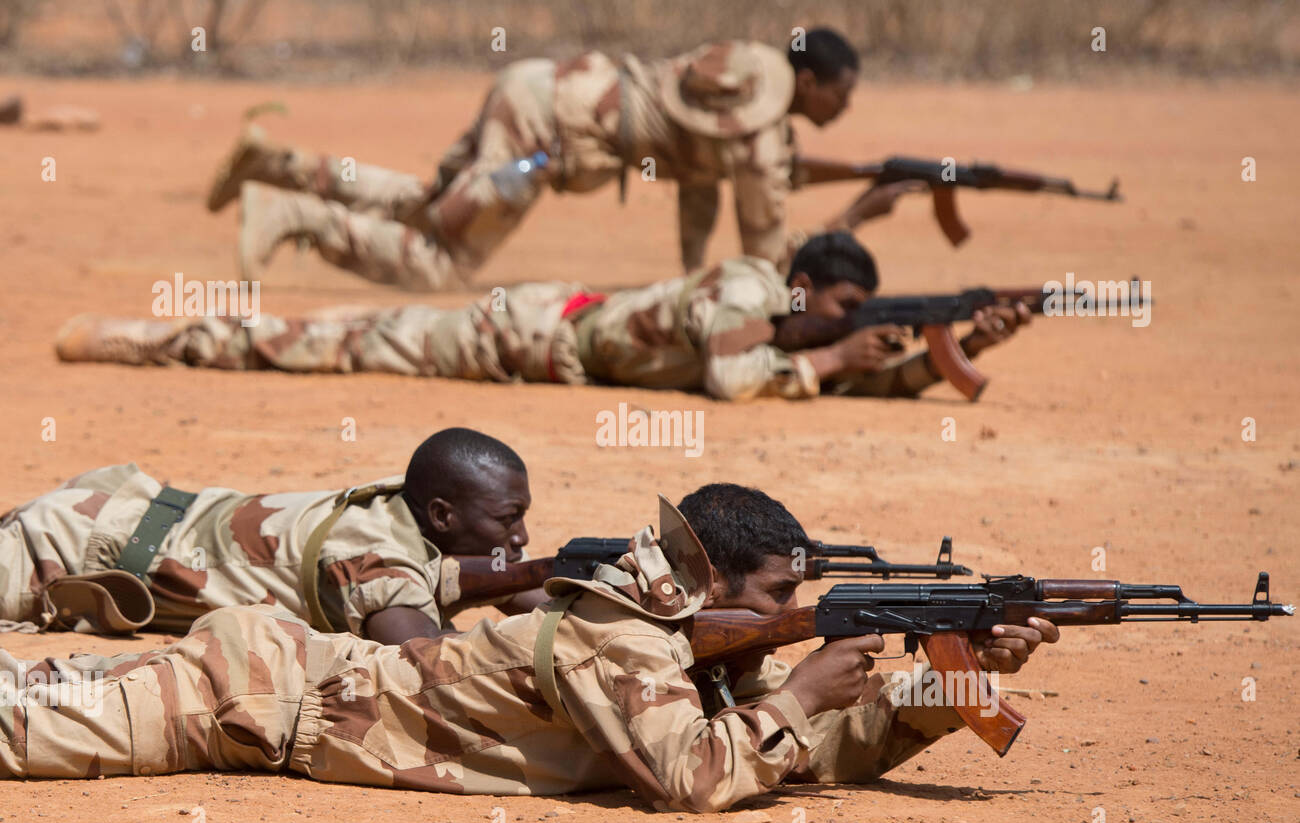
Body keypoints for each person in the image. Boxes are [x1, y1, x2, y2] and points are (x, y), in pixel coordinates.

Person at [0, 485, 1058, 813]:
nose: (797, 607)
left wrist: (943, 685)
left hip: (267, 692)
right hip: (250, 694)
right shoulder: (621, 640)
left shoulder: (667, 643)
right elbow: (698, 776)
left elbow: (802, 751)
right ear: (714, 587)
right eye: (782, 595)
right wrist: (799, 694)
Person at [205, 28, 917, 290]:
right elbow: (766, 259)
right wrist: (854, 217)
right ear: (814, 82)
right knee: (442, 262)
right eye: (843, 96)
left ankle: (277, 162)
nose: (844, 111)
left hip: (538, 89)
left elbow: (701, 184)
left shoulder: (748, 76)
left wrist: (691, 276)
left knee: (433, 204)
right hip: (541, 145)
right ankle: (291, 211)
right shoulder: (761, 129)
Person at [56, 232, 1030, 401]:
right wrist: (832, 360)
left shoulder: (798, 329)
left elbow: (839, 372)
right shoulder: (745, 292)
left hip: (556, 348)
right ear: (801, 286)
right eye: (842, 308)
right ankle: (158, 337)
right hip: (521, 332)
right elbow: (739, 379)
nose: (848, 322)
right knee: (331, 340)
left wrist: (960, 345)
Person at [0, 428, 540, 643]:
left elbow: (516, 582)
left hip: (128, 509)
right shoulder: (377, 562)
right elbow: (433, 661)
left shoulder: (408, 505)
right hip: (67, 548)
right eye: (506, 520)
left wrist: (585, 578)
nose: (519, 536)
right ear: (443, 516)